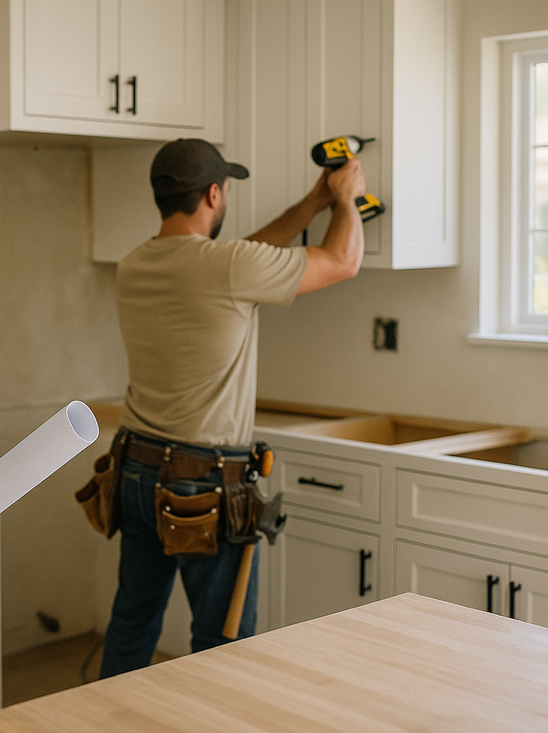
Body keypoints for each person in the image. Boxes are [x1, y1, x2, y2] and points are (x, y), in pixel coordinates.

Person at [99, 138, 365, 678]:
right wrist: (346, 197)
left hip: (135, 472)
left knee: (133, 622)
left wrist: (311, 204)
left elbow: (239, 257)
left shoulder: (134, 265)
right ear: (214, 194)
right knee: (224, 644)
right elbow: (343, 261)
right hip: (205, 485)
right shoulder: (227, 267)